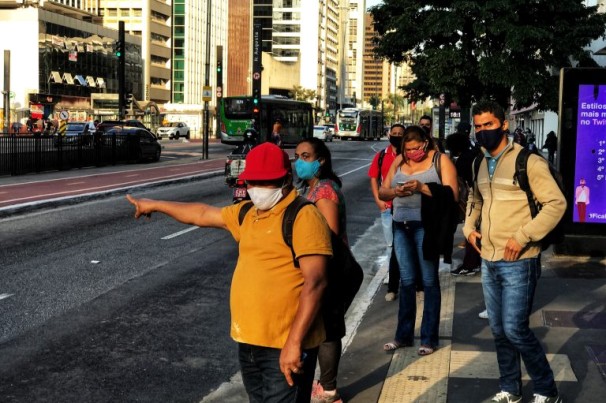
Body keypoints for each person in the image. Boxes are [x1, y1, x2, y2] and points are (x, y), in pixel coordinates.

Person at [126, 142, 333, 403]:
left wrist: (294, 343)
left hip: (286, 343)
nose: (257, 189)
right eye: (252, 182)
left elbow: (316, 282)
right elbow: (201, 213)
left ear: (285, 179)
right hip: (249, 341)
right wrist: (154, 204)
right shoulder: (248, 212)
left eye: (266, 183)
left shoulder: (303, 216)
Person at [464, 101, 566, 403]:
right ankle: (510, 389)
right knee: (498, 330)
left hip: (520, 259)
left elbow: (556, 204)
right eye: (478, 126)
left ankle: (547, 391)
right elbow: (476, 198)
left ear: (504, 124)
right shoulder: (479, 163)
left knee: (515, 329)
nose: (483, 132)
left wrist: (522, 237)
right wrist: (468, 228)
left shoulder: (528, 162)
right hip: (488, 258)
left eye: (489, 125)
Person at [379, 125, 459, 356]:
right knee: (407, 281)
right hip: (400, 225)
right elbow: (383, 191)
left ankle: (428, 338)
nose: (413, 152)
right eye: (408, 149)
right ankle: (403, 335)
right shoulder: (399, 161)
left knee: (429, 280)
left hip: (427, 227)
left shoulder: (440, 160)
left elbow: (452, 195)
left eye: (417, 148)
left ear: (426, 142)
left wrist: (422, 187)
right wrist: (397, 193)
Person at [294, 137, 347, 403]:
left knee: (326, 331)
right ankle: (326, 385)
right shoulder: (313, 187)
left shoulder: (324, 191)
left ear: (320, 160)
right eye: (297, 156)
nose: (299, 162)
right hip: (324, 271)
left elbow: (331, 237)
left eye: (305, 157)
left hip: (329, 271)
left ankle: (328, 390)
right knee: (324, 328)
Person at [368, 123, 405, 302]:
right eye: (394, 133)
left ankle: (406, 276)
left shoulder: (408, 155)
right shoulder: (381, 155)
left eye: (400, 133)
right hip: (388, 207)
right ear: (389, 134)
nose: (396, 136)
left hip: (405, 208)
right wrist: (378, 200)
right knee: (391, 244)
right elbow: (374, 178)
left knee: (405, 244)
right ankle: (393, 275)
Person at [445, 128, 482, 276]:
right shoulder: (474, 154)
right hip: (480, 197)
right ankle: (474, 263)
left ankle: (470, 264)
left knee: (470, 230)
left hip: (472, 200)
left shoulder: (462, 161)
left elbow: (461, 184)